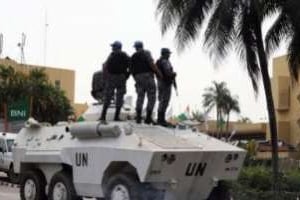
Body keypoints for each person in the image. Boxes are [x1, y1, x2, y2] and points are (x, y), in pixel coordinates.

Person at [131, 41, 162, 124]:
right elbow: (151, 64)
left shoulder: (133, 56)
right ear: (142, 46)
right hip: (147, 76)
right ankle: (148, 118)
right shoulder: (146, 52)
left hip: (138, 78)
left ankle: (138, 117)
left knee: (140, 97)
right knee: (151, 96)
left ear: (136, 47)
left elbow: (131, 70)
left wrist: (136, 79)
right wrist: (158, 73)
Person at [99, 41, 130, 122]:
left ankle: (103, 116)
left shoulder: (111, 55)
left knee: (108, 97)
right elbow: (131, 65)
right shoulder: (124, 55)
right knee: (120, 97)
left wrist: (105, 78)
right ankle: (116, 116)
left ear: (117, 47)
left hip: (112, 77)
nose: (112, 48)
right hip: (121, 77)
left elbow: (105, 66)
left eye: (113, 46)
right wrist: (127, 75)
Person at [156, 48, 176, 126]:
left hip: (160, 82)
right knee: (165, 101)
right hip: (165, 83)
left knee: (162, 100)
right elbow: (168, 73)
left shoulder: (159, 61)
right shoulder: (165, 62)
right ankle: (161, 119)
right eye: (168, 53)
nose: (169, 55)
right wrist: (173, 74)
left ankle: (160, 119)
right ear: (164, 54)